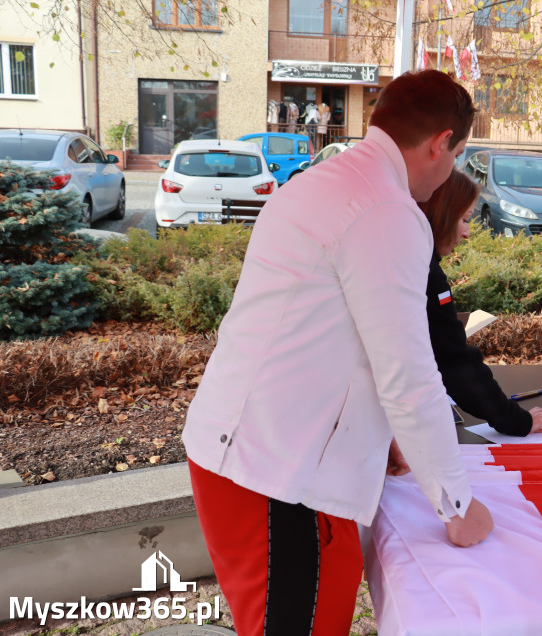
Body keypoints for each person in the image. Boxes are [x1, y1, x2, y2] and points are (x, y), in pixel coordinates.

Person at [182, 70, 494, 636]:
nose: (453, 170)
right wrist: (456, 503)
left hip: (252, 457)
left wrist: (383, 439)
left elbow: (337, 336)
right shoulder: (388, 209)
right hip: (278, 477)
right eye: (459, 153)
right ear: (440, 142)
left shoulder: (330, 178)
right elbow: (408, 374)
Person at [418, 170, 542, 436]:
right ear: (442, 215)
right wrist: (518, 421)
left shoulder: (411, 259)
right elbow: (453, 358)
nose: (467, 233)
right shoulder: (423, 270)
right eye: (464, 220)